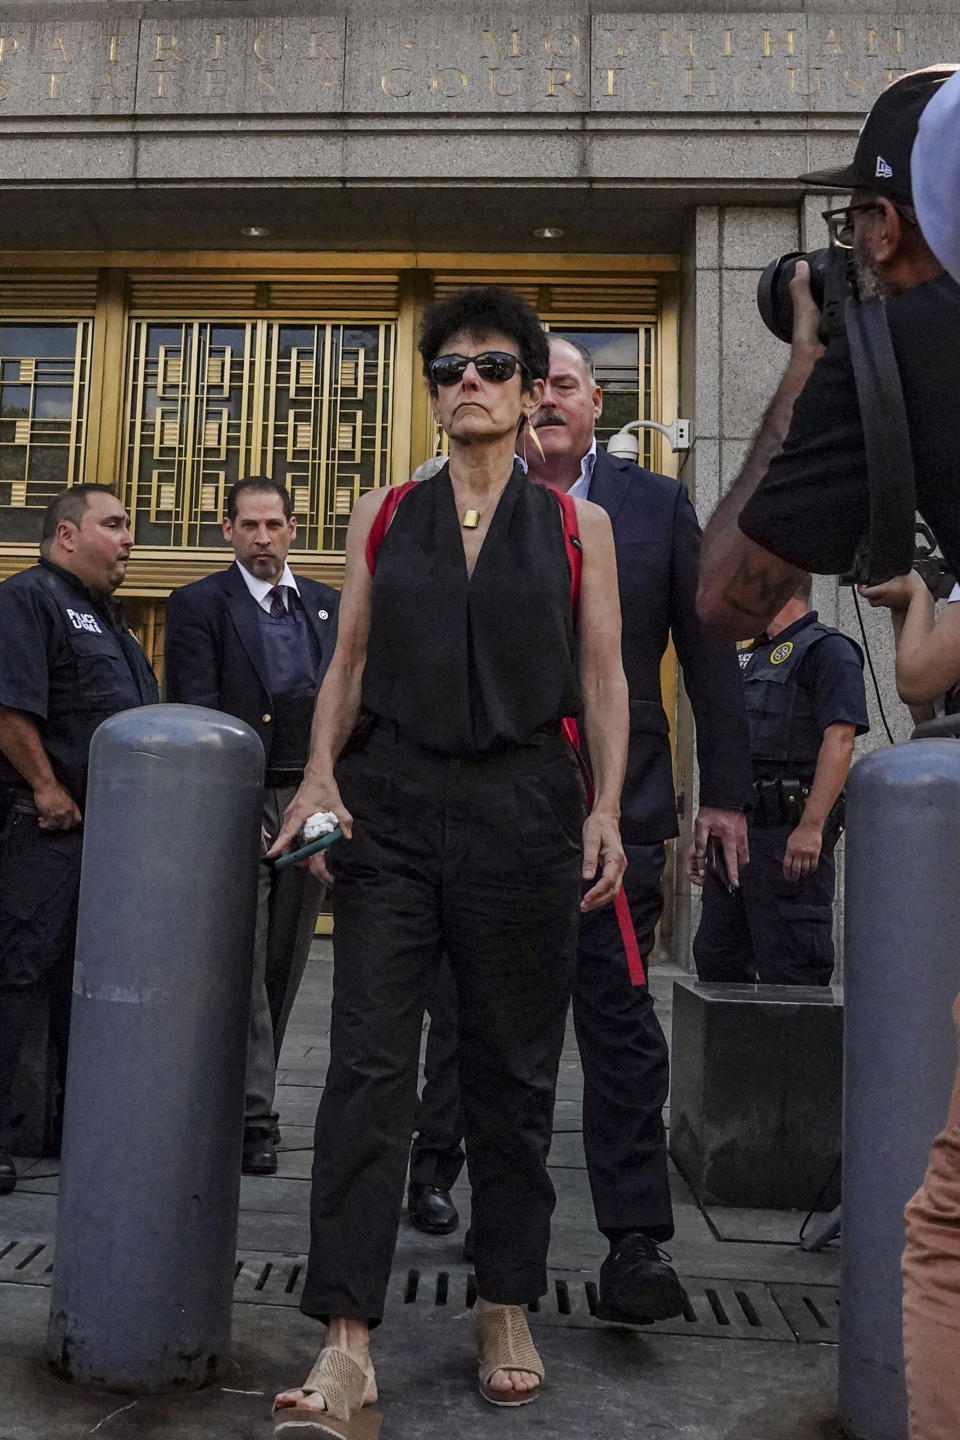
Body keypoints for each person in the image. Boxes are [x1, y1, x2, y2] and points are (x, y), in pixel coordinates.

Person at [267, 285, 629, 1430]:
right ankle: (346, 1336)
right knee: (369, 1063)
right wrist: (321, 775)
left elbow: (608, 675)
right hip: (396, 805)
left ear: (531, 394)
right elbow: (347, 666)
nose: (467, 382)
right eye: (449, 369)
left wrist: (607, 807)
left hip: (526, 805)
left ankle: (505, 1301)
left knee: (515, 1071)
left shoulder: (581, 526)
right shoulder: (382, 512)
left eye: (491, 366)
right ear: (432, 396)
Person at [410, 334, 754, 1315]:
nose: (551, 400)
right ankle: (497, 1223)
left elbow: (708, 648)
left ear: (595, 403)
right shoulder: (457, 502)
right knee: (491, 1034)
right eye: (539, 386)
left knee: (621, 1038)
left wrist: (721, 792)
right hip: (482, 820)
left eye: (568, 384)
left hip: (617, 815)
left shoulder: (651, 507)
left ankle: (637, 1244)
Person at [696, 64, 960, 638]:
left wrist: (807, 369)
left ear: (885, 227)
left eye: (853, 222)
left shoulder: (899, 345)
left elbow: (725, 604)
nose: (846, 248)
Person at [164, 477, 339, 1177]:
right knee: (242, 954)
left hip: (310, 799)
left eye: (274, 525)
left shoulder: (329, 605)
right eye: (250, 526)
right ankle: (253, 1117)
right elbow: (195, 707)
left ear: (293, 529)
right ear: (227, 530)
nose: (263, 538)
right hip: (240, 797)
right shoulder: (199, 606)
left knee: (284, 959)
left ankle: (241, 1094)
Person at [0, 484, 158, 1195]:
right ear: (67, 534)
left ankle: (67, 1125)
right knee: (19, 973)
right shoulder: (29, 598)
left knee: (80, 987)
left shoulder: (111, 620)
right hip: (46, 830)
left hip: (109, 836)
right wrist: (45, 788)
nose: (129, 539)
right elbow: (9, 707)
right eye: (114, 525)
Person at [693, 575, 868, 985]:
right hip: (738, 838)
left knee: (790, 970)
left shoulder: (827, 650)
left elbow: (840, 741)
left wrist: (811, 827)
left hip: (788, 837)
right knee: (718, 964)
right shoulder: (747, 656)